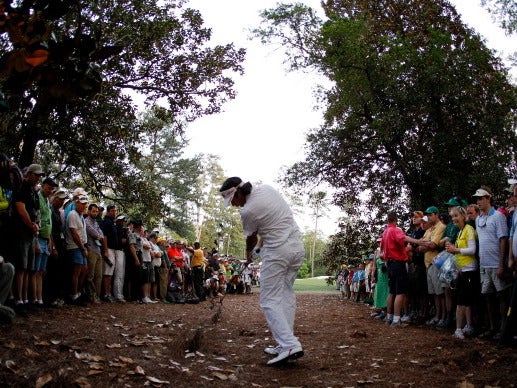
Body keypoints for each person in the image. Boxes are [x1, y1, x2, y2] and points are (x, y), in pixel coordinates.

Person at [220, 177, 304, 366]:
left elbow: (251, 237)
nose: (233, 205)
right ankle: (284, 343)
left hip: (278, 253)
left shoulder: (248, 211)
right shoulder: (267, 189)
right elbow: (270, 227)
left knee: (269, 300)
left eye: (232, 200)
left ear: (238, 193)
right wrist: (257, 251)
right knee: (285, 295)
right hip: (296, 248)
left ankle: (289, 344)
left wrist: (250, 253)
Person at [473, 187, 510, 340]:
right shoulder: (478, 219)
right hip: (484, 264)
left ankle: (503, 328)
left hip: (496, 263)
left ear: (488, 199)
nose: (479, 201)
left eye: (481, 198)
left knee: (501, 295)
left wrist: (502, 264)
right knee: (487, 296)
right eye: (477, 199)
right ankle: (492, 327)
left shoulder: (498, 217)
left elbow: (503, 240)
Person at [445, 206, 478, 339]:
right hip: (462, 270)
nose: (454, 219)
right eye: (452, 216)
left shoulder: (469, 229)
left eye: (456, 216)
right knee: (465, 300)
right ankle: (468, 326)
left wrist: (456, 250)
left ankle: (459, 328)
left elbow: (472, 250)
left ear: (463, 216)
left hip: (469, 269)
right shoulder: (460, 231)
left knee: (462, 301)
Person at [65, 194, 89, 304]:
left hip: (82, 246)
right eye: (82, 203)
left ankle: (78, 293)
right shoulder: (72, 214)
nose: (84, 206)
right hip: (75, 246)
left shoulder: (81, 216)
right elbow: (74, 233)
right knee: (76, 271)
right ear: (76, 203)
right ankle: (74, 294)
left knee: (84, 270)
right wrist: (82, 247)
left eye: (85, 204)